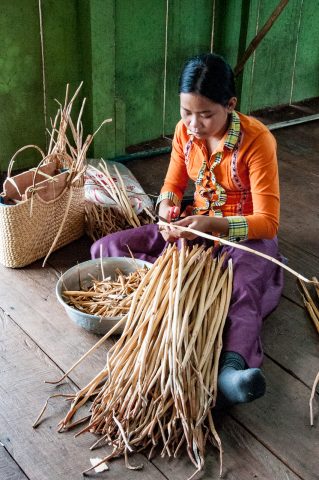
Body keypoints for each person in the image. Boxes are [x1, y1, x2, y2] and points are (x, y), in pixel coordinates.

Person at [91, 53, 284, 408]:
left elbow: (268, 221)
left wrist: (214, 225)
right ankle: (156, 315)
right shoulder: (185, 134)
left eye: (206, 114)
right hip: (192, 225)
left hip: (244, 236)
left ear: (230, 105)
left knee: (240, 290)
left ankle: (230, 369)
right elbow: (173, 183)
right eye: (186, 112)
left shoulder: (257, 141)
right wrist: (166, 209)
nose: (194, 124)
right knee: (105, 250)